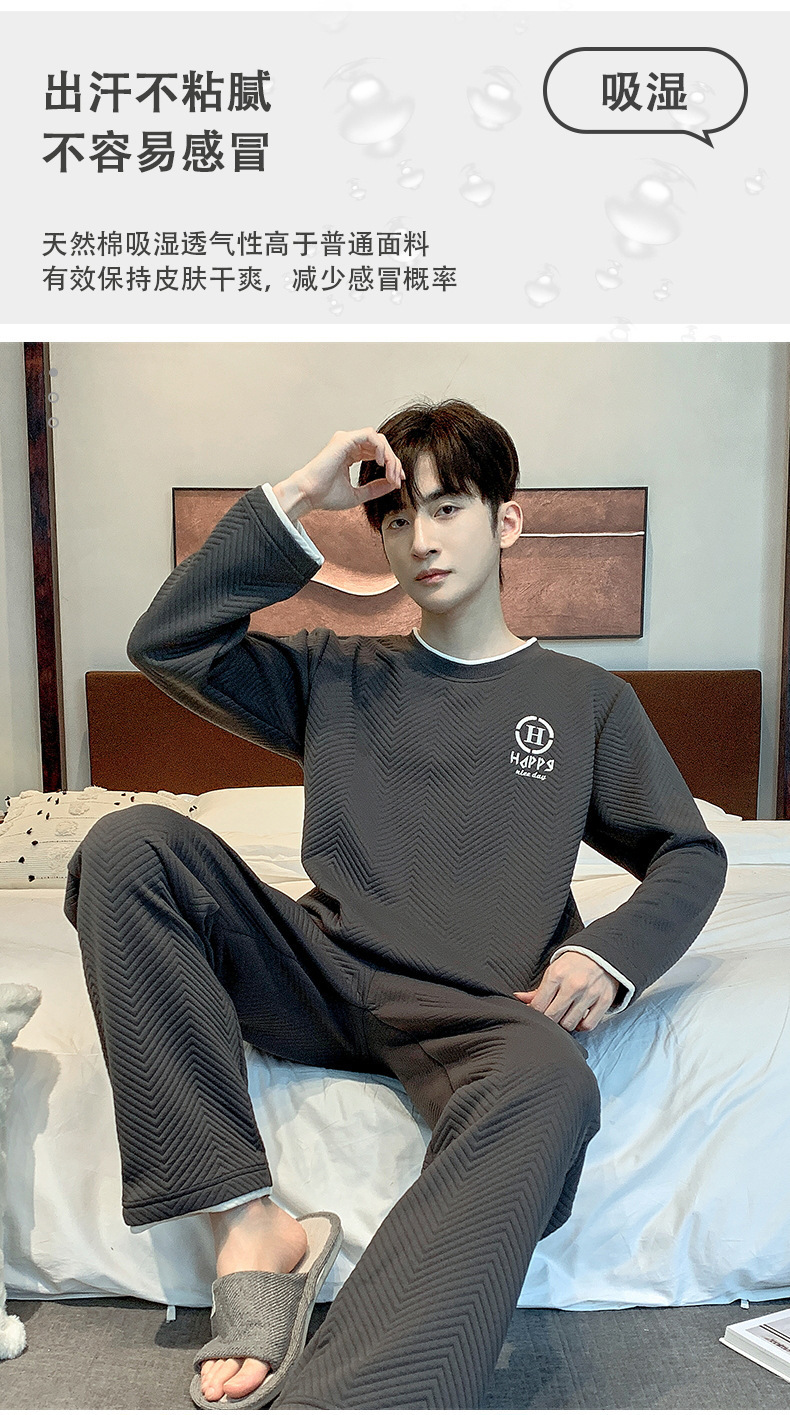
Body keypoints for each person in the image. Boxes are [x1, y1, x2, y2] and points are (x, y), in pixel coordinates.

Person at [64, 399, 728, 1411]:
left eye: (448, 508)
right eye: (398, 518)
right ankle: (248, 1223)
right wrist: (300, 493)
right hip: (321, 966)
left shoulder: (585, 700)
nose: (421, 539)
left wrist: (607, 952)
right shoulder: (334, 672)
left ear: (506, 520)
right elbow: (168, 640)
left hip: (475, 1007)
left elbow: (687, 849)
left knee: (552, 1080)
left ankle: (362, 1392)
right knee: (127, 842)